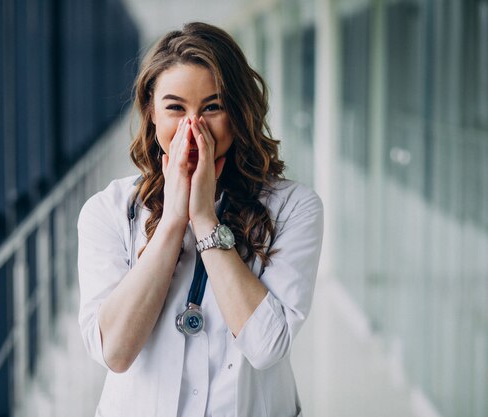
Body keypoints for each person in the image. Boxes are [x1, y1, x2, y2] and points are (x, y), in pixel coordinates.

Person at [77, 22, 324, 417]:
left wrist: (205, 219)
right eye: (175, 108)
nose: (193, 127)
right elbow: (115, 352)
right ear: (151, 114)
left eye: (212, 107)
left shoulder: (294, 207)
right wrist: (174, 220)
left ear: (240, 113)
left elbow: (267, 347)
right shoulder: (106, 210)